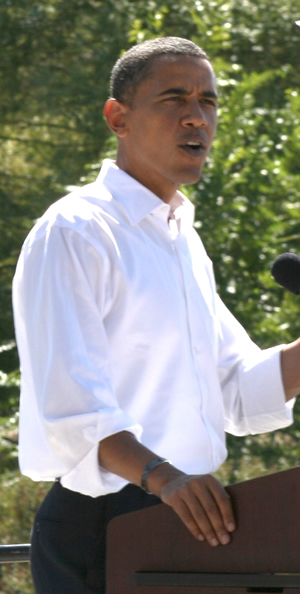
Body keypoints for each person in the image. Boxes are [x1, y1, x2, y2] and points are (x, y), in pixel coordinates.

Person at [12, 37, 300, 594]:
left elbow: (237, 393)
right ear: (118, 118)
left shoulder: (181, 240)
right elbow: (72, 412)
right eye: (174, 99)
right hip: (106, 530)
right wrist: (163, 478)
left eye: (209, 102)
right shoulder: (75, 231)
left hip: (191, 521)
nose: (197, 117)